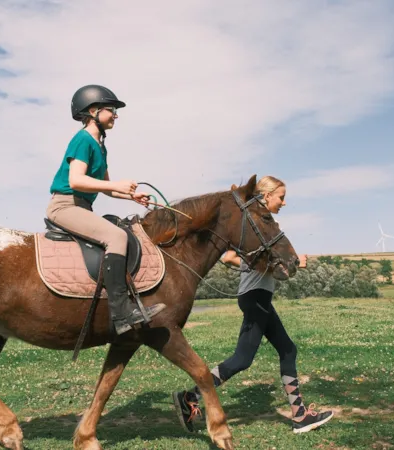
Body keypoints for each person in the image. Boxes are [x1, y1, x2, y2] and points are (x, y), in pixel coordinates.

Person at [172, 176, 334, 434]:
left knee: (285, 350)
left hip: (257, 296)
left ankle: (299, 414)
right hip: (255, 296)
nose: (284, 202)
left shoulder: (262, 227)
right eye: (280, 197)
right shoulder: (252, 225)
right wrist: (290, 265)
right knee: (244, 358)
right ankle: (190, 397)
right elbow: (228, 257)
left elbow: (232, 259)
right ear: (266, 196)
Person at [47, 84, 165, 335]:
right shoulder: (82, 139)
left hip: (82, 206)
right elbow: (76, 181)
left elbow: (105, 187)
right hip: (65, 206)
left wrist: (132, 195)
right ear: (93, 110)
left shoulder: (100, 145)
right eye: (111, 109)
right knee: (116, 236)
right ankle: (121, 314)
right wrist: (116, 185)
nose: (115, 115)